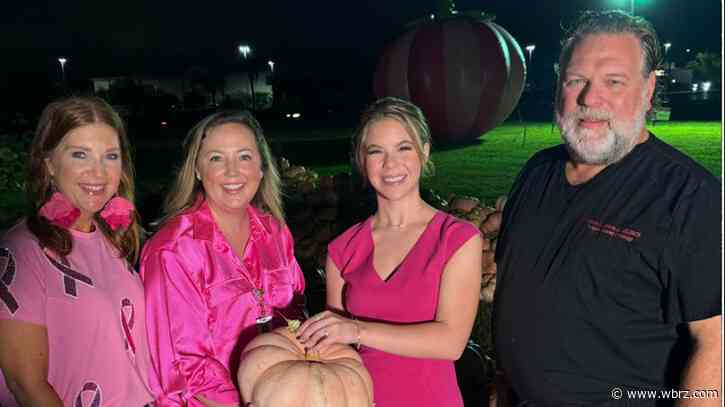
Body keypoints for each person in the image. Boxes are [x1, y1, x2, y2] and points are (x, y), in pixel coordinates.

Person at [493, 10, 721, 406]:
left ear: (648, 89)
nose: (589, 99)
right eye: (576, 80)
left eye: (613, 82)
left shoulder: (689, 197)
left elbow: (714, 345)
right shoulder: (536, 172)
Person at [296, 97, 483, 407]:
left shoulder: (457, 239)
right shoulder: (343, 249)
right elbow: (338, 349)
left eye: (403, 148)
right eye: (375, 151)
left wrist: (357, 330)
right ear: (361, 160)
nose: (390, 163)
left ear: (424, 151)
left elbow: (450, 342)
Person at [141, 110, 306, 407]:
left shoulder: (276, 234)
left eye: (244, 157)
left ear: (261, 167)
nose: (232, 172)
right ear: (198, 170)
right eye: (216, 158)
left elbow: (294, 316)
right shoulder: (174, 250)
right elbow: (183, 367)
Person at [0, 97, 153, 406]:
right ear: (49, 163)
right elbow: (26, 385)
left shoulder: (112, 239)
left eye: (110, 156)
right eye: (80, 155)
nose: (98, 172)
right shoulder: (22, 251)